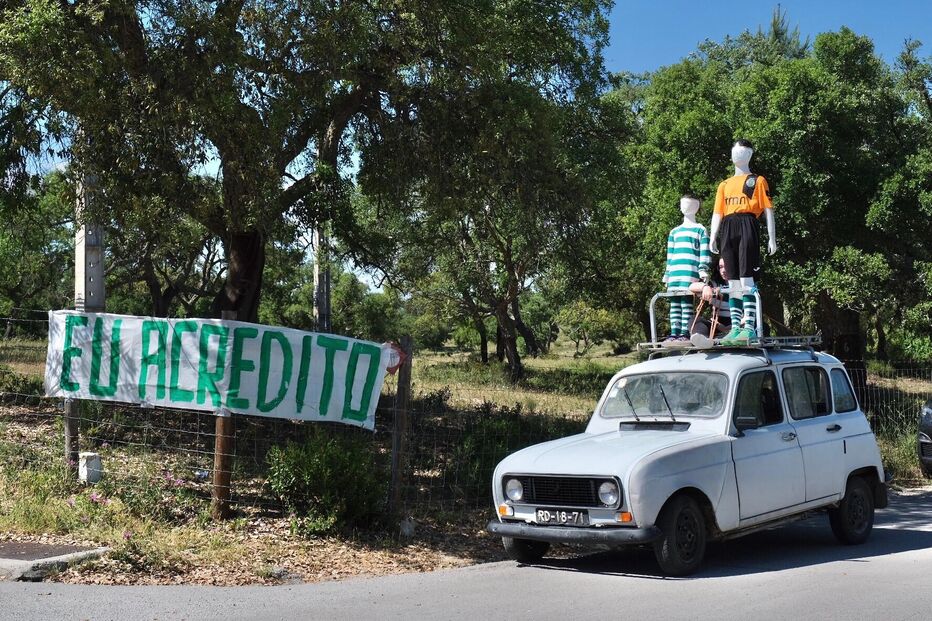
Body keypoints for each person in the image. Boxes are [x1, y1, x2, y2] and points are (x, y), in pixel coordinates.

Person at [709, 139, 777, 345]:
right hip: (728, 228)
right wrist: (713, 236)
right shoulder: (724, 185)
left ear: (749, 155)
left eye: (740, 152)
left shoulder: (757, 181)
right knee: (733, 281)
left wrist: (772, 238)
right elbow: (717, 213)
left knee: (747, 279)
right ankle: (736, 328)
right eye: (733, 152)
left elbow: (768, 210)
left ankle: (750, 327)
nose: (735, 155)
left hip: (748, 224)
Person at [662, 195, 709, 345]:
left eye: (688, 205)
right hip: (675, 274)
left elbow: (704, 252)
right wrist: (667, 274)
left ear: (696, 207)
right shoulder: (674, 232)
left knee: (686, 302)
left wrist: (703, 269)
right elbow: (670, 255)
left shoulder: (700, 230)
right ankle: (674, 332)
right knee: (674, 303)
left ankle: (685, 332)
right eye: (682, 204)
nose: (684, 207)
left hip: (689, 274)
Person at [689, 257, 732, 345]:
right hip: (717, 323)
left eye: (726, 266)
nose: (723, 270)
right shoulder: (715, 284)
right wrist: (705, 287)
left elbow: (749, 314)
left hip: (738, 323)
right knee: (694, 320)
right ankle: (702, 340)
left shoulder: (742, 283)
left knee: (760, 325)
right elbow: (691, 286)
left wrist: (728, 328)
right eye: (720, 267)